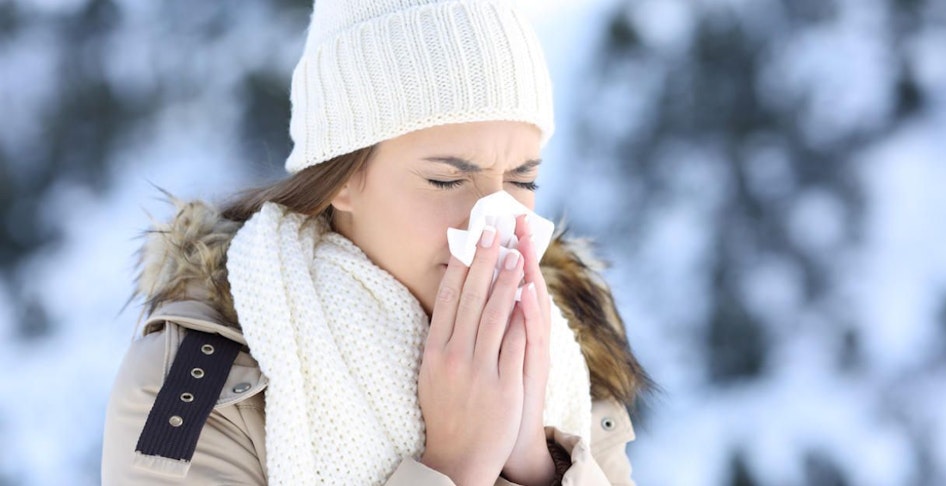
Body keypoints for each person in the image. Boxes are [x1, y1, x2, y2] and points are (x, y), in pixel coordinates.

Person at [101, 0, 652, 484]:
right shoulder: (202, 383)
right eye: (448, 180)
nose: (496, 223)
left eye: (522, 181)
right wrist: (455, 467)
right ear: (342, 176)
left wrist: (533, 460)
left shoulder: (562, 352)